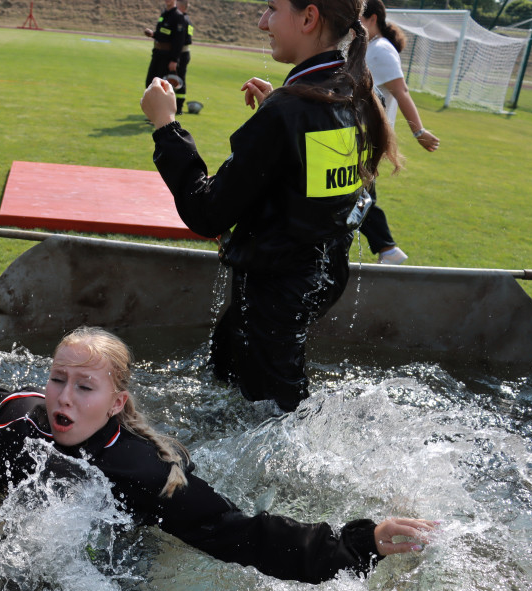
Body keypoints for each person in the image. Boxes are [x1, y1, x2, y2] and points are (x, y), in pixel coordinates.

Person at [0, 322, 436, 586]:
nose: (63, 397)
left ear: (117, 403)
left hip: (113, 550)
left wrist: (356, 543)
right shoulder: (22, 414)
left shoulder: (139, 469)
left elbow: (236, 532)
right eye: (57, 379)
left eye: (84, 387)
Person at [141, 0, 401, 412]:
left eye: (272, 9)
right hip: (317, 278)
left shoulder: (289, 112)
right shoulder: (351, 90)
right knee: (237, 376)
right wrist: (280, 115)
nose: (263, 23)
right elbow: (327, 192)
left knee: (275, 418)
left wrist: (166, 128)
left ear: (309, 17)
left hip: (274, 292)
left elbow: (207, 213)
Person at [359, 0, 440, 265]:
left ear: (371, 18)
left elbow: (401, 91)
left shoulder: (380, 50)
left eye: (356, 19)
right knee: (357, 197)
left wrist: (419, 132)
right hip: (360, 136)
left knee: (354, 198)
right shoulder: (371, 47)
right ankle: (386, 248)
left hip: (366, 139)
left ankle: (387, 248)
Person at [143, 0, 186, 93]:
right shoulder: (164, 14)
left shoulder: (178, 16)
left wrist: (174, 60)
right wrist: (153, 34)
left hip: (167, 57)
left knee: (161, 88)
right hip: (157, 54)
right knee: (149, 84)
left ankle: (160, 107)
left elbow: (179, 41)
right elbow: (163, 33)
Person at [175, 0, 193, 115]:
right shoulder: (188, 20)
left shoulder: (183, 20)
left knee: (179, 80)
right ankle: (178, 106)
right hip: (184, 53)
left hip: (181, 53)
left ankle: (179, 106)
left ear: (181, 7)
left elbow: (184, 40)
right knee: (179, 79)